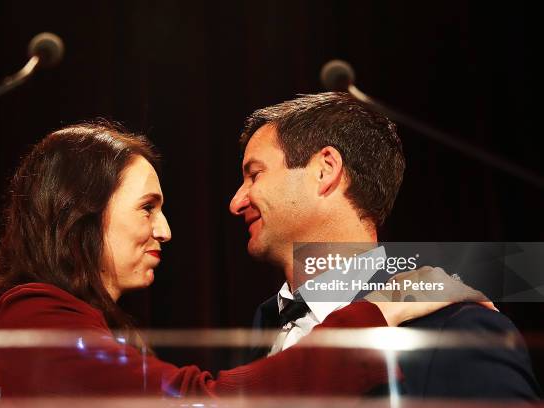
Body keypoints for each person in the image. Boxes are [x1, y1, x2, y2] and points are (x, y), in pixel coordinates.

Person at [0, 121, 459, 398]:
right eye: (147, 207)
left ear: (326, 171)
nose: (166, 230)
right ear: (80, 214)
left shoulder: (461, 320)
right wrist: (378, 310)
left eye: (254, 173)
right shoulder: (30, 314)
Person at [229, 92, 541, 399]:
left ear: (325, 169)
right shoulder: (262, 328)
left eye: (255, 175)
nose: (236, 202)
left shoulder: (456, 329)